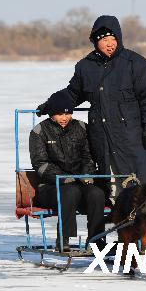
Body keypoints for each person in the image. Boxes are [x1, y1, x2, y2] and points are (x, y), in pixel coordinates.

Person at [36, 15, 146, 202]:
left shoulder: (136, 64)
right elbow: (73, 93)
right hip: (101, 137)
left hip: (132, 137)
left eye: (113, 39)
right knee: (111, 186)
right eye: (104, 39)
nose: (110, 44)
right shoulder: (85, 67)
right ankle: (120, 223)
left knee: (144, 186)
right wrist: (51, 105)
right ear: (95, 41)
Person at [29, 91, 106, 252]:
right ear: (51, 113)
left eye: (68, 113)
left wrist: (86, 174)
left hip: (80, 182)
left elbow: (88, 156)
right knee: (70, 192)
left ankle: (96, 240)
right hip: (50, 187)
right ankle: (63, 239)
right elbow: (40, 164)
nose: (64, 117)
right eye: (59, 113)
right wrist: (63, 178)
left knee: (97, 194)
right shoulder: (40, 131)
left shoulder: (81, 127)